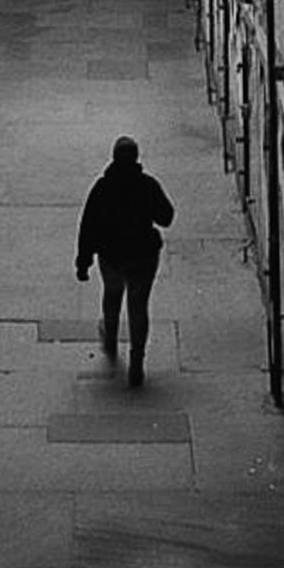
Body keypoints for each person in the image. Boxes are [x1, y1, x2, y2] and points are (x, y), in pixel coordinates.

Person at [75, 135, 174, 387]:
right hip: (143, 255)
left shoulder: (102, 188)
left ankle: (110, 338)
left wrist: (83, 262)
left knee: (112, 293)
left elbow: (88, 227)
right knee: (138, 307)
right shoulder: (147, 185)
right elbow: (166, 216)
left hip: (112, 255)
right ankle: (137, 362)